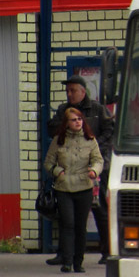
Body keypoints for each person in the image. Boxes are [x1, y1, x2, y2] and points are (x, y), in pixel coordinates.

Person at [46, 75, 114, 266]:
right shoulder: (63, 110)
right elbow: (52, 131)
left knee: (99, 209)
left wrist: (94, 148)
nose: (69, 94)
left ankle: (107, 251)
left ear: (83, 92)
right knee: (65, 215)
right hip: (68, 171)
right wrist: (60, 121)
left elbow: (110, 130)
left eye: (73, 90)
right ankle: (64, 254)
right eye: (67, 91)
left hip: (94, 169)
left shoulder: (97, 109)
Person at [43, 107, 104, 273]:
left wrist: (94, 171)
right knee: (67, 223)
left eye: (79, 119)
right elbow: (48, 163)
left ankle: (79, 262)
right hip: (64, 187)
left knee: (80, 225)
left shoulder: (90, 140)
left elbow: (99, 160)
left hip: (84, 186)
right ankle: (67, 261)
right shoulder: (59, 140)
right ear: (67, 123)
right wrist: (58, 172)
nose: (78, 122)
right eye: (73, 120)